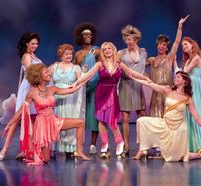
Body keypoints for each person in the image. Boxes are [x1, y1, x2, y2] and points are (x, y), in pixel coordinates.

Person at [0, 63, 90, 165]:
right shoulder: (32, 93)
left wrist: (85, 79)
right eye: (46, 72)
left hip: (54, 121)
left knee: (80, 122)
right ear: (39, 76)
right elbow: (21, 111)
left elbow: (72, 89)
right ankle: (28, 153)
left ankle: (79, 151)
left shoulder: (52, 89)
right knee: (46, 159)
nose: (49, 74)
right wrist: (9, 124)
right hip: (42, 126)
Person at [72, 42, 148, 158]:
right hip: (101, 94)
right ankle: (104, 144)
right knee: (101, 121)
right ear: (102, 52)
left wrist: (147, 80)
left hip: (112, 94)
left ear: (113, 50)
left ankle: (119, 142)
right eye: (104, 49)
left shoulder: (119, 64)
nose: (107, 50)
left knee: (112, 121)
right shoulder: (99, 64)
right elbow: (87, 76)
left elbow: (132, 74)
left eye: (109, 48)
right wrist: (76, 84)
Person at [131, 71, 201, 161]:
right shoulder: (168, 90)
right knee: (141, 121)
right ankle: (142, 150)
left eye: (178, 77)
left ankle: (200, 155)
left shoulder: (187, 98)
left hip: (178, 128)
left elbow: (197, 118)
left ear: (184, 81)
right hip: (165, 124)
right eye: (175, 76)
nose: (175, 78)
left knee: (177, 157)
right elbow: (150, 84)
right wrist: (135, 78)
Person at [0, 32, 42, 161]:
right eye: (32, 43)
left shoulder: (35, 56)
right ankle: (5, 148)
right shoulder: (26, 56)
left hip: (36, 88)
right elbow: (30, 72)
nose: (35, 45)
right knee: (17, 119)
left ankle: (28, 149)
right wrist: (38, 84)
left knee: (33, 119)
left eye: (36, 43)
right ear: (27, 43)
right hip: (28, 88)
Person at [146, 15, 189, 118]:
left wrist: (180, 26)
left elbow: (177, 42)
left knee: (166, 118)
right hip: (155, 93)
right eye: (160, 44)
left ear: (166, 48)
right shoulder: (151, 60)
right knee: (155, 119)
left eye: (164, 45)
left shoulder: (169, 58)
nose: (161, 46)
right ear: (157, 45)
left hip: (167, 92)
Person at [48, 44, 84, 158]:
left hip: (70, 99)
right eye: (66, 53)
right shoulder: (55, 66)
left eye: (70, 53)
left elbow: (81, 82)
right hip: (56, 99)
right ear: (61, 55)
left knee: (68, 122)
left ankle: (69, 148)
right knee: (54, 122)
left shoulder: (76, 68)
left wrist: (74, 87)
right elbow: (43, 76)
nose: (68, 56)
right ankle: (53, 148)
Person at [117, 25, 147, 156]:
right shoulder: (121, 53)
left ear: (136, 40)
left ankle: (144, 146)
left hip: (138, 86)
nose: (127, 42)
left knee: (142, 116)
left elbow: (145, 65)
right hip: (125, 85)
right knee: (125, 117)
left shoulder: (143, 53)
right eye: (126, 39)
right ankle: (126, 147)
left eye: (130, 39)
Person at [73, 22, 100, 154]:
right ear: (81, 37)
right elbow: (73, 70)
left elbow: (104, 64)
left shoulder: (97, 50)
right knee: (80, 115)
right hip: (82, 87)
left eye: (90, 34)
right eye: (85, 34)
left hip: (96, 86)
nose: (88, 36)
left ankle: (93, 145)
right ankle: (79, 144)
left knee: (95, 116)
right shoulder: (77, 54)